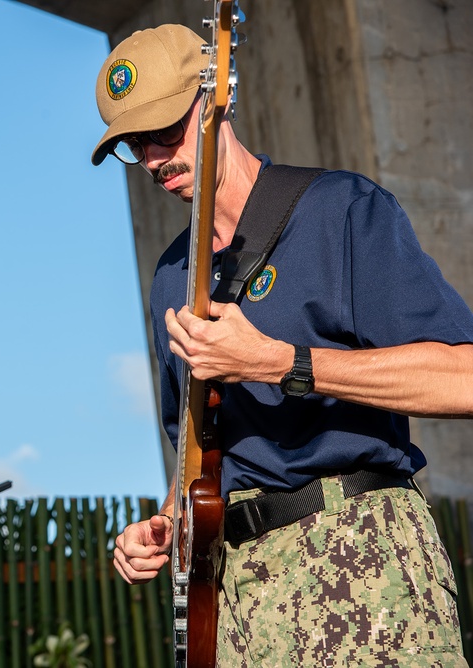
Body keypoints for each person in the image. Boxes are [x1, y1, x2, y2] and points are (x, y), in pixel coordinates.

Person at [91, 24, 473, 666]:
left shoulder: (341, 210)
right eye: (134, 144)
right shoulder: (169, 279)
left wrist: (278, 361)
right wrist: (167, 524)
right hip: (239, 597)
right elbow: (200, 454)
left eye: (164, 129)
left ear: (216, 102)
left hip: (363, 560)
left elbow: (463, 378)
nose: (153, 158)